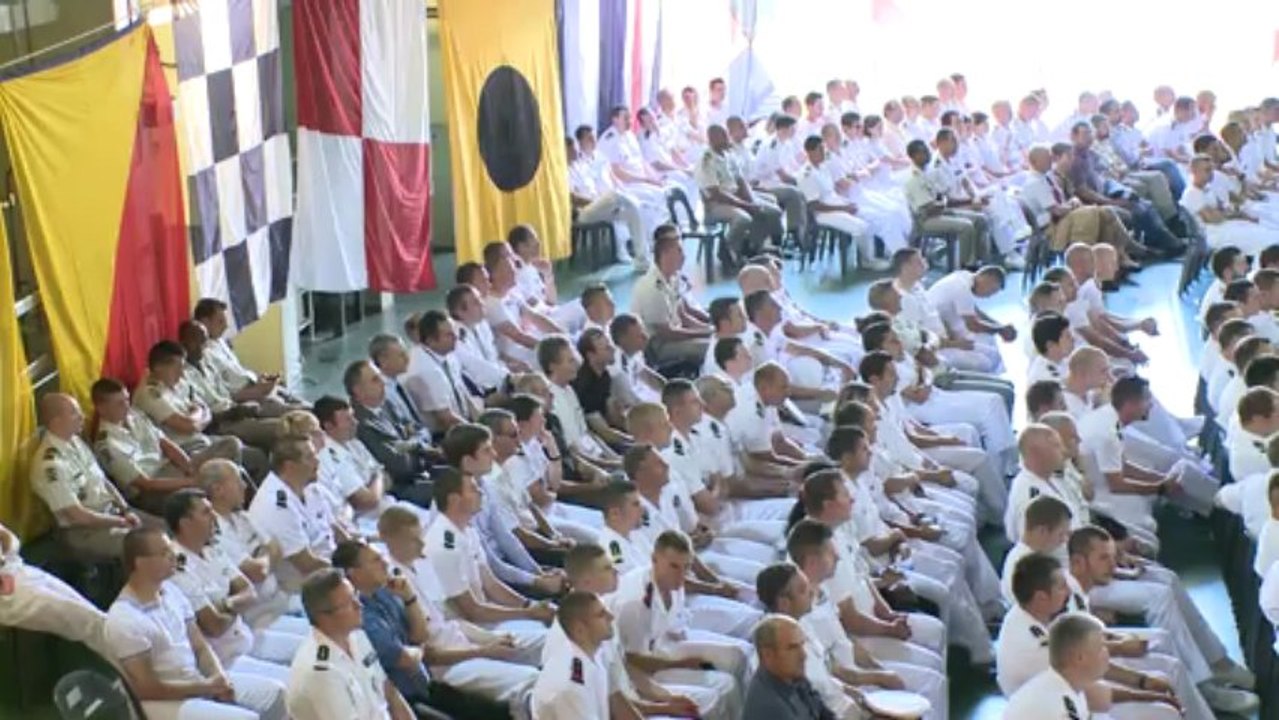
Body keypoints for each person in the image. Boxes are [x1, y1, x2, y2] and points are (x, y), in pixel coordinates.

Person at [331, 540, 526, 718]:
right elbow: (405, 659)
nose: (384, 563)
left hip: (426, 685)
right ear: (353, 573)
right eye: (375, 560)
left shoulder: (386, 592)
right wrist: (420, 651)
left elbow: (421, 635)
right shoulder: (360, 616)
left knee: (499, 712)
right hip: (404, 700)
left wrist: (409, 598)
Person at [107, 528, 287, 720]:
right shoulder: (124, 617)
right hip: (165, 702)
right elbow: (147, 689)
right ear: (140, 562)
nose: (174, 556)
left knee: (276, 694)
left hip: (196, 680)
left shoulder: (172, 591)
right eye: (164, 553)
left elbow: (200, 646)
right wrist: (207, 687)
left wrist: (219, 678)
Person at [166, 489, 306, 669]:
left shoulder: (212, 548)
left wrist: (226, 605)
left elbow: (249, 592)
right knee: (285, 686)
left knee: (311, 648)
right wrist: (237, 604)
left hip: (246, 638)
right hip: (224, 659)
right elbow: (213, 625)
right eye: (206, 512)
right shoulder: (177, 566)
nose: (214, 517)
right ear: (185, 523)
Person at [422, 467, 557, 631]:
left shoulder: (468, 530)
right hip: (464, 629)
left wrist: (530, 605)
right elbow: (472, 611)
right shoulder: (444, 544)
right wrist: (528, 614)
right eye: (473, 489)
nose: (481, 493)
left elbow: (491, 584)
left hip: (487, 616)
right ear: (454, 500)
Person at [286, 569, 416, 720]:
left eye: (356, 596)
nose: (359, 605)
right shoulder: (321, 672)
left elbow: (388, 691)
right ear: (324, 616)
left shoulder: (356, 635)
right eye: (349, 603)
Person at [30, 393, 142, 561]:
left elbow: (103, 481)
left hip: (112, 514)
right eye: (74, 413)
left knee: (166, 530)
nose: (82, 416)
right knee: (144, 547)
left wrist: (126, 509)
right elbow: (78, 516)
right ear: (56, 421)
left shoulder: (76, 441)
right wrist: (119, 521)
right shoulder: (50, 465)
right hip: (84, 532)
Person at [92, 377, 227, 516]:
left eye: (127, 399)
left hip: (171, 468)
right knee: (209, 487)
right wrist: (191, 482)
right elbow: (146, 484)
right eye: (119, 403)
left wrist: (189, 468)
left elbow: (165, 444)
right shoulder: (107, 444)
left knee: (229, 447)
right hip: (152, 491)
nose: (126, 406)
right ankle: (222, 519)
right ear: (102, 408)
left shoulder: (134, 415)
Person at [0, 520, 112, 660]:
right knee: (91, 625)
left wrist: (4, 556)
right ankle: (139, 668)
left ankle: (137, 665)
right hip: (8, 596)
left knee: (96, 620)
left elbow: (11, 540)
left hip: (19, 571)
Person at [246, 436, 337, 593]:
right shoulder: (276, 504)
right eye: (310, 457)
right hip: (306, 588)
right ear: (290, 466)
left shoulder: (309, 487)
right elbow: (306, 564)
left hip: (331, 566)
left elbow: (335, 529)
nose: (317, 461)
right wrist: (350, 570)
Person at [344, 359, 436, 508]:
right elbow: (400, 466)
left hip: (423, 470)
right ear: (358, 391)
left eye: (380, 377)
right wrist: (418, 445)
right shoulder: (360, 424)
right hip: (400, 489)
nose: (383, 382)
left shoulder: (387, 404)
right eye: (375, 380)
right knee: (455, 493)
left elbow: (423, 430)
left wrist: (410, 444)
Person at [697, 123, 783, 266]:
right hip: (716, 204)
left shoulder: (728, 155)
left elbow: (741, 181)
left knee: (772, 211)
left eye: (726, 135)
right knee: (743, 218)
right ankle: (727, 249)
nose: (727, 139)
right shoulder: (707, 160)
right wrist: (746, 205)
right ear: (712, 139)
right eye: (722, 136)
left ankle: (752, 246)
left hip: (735, 198)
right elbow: (716, 193)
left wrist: (751, 201)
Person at [630, 226, 713, 367]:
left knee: (715, 341)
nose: (684, 256)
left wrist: (710, 328)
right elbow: (667, 333)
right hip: (659, 345)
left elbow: (684, 315)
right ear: (665, 254)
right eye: (679, 251)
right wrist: (704, 334)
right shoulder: (652, 288)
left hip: (677, 334)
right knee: (710, 349)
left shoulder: (674, 277)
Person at [797, 135, 883, 270]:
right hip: (823, 213)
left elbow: (831, 193)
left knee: (870, 216)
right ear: (810, 152)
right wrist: (843, 208)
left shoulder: (823, 167)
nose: (824, 152)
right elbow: (814, 205)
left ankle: (874, 255)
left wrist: (847, 204)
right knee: (861, 227)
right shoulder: (806, 174)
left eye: (824, 149)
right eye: (820, 149)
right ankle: (868, 261)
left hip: (837, 204)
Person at [1002, 613, 1107, 720]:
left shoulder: (1064, 684)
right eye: (1101, 648)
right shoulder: (1059, 709)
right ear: (1079, 658)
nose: (1107, 653)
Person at [531, 591, 616, 720]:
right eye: (601, 615)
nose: (611, 617)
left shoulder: (591, 652)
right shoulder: (571, 686)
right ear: (580, 629)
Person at [903, 139, 986, 265]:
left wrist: (947, 202)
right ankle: (966, 265)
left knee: (980, 219)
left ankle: (979, 259)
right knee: (966, 227)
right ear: (914, 156)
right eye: (923, 152)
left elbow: (942, 194)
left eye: (927, 151)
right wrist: (946, 202)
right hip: (926, 219)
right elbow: (929, 207)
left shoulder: (928, 172)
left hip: (939, 211)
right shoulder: (914, 179)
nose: (928, 154)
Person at [742, 615, 836, 720]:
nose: (803, 655)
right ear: (768, 655)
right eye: (792, 648)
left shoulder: (793, 677)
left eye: (802, 645)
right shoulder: (772, 707)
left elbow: (822, 712)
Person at [402, 310, 478, 436]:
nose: (456, 338)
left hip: (462, 422)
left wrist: (481, 422)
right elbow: (445, 419)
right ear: (431, 340)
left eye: (455, 332)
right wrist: (479, 434)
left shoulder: (449, 355)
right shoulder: (425, 369)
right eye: (449, 335)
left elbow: (462, 393)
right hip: (442, 434)